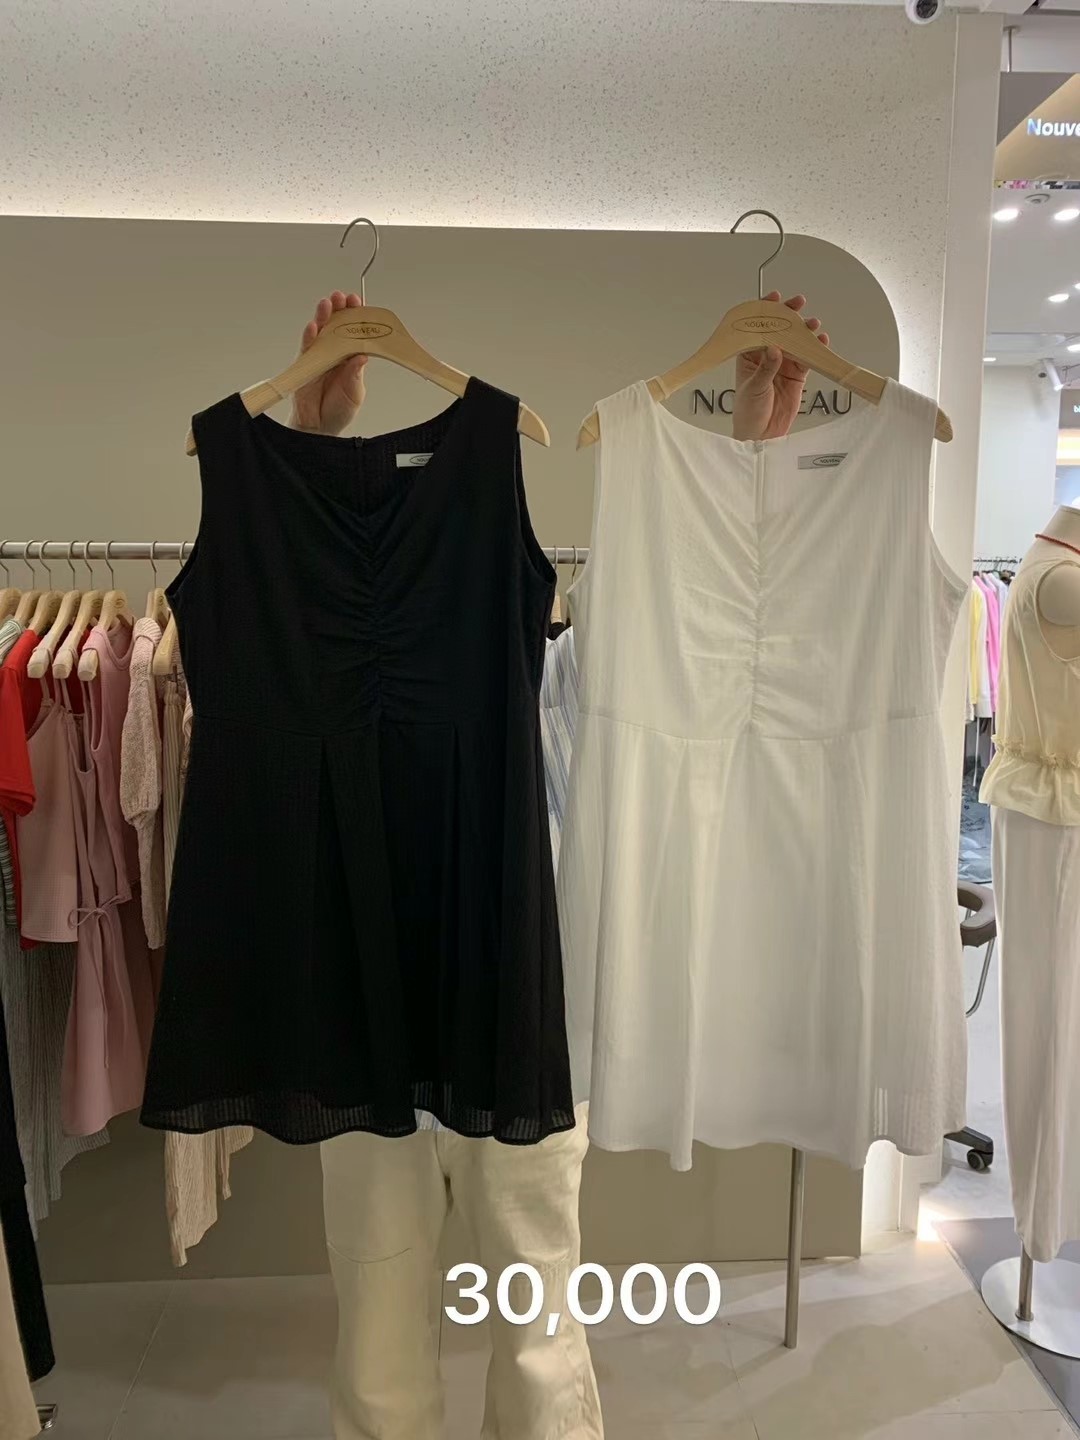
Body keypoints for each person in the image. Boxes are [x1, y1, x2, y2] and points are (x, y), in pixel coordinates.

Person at [290, 286, 828, 1440]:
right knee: (378, 1335)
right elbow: (292, 589)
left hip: (527, 1024)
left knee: (535, 1333)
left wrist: (752, 453)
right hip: (369, 1023)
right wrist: (318, 438)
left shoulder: (574, 672)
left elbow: (702, 609)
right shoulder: (343, 664)